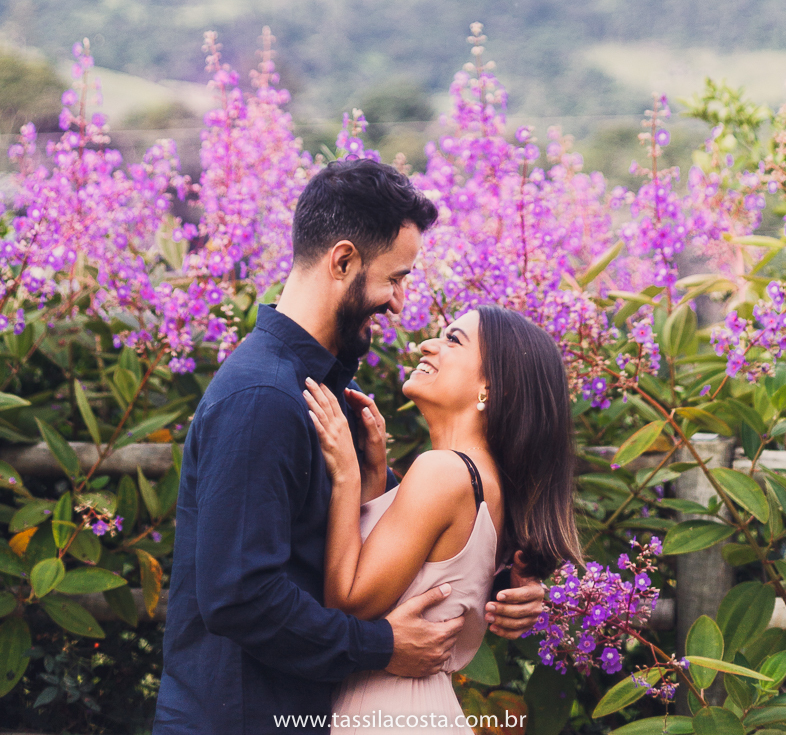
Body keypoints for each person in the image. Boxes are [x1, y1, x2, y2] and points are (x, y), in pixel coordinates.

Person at [154, 161, 546, 735]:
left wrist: (504, 584)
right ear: (343, 261)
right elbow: (240, 597)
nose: (399, 304)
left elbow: (406, 544)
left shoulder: (329, 400)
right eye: (395, 278)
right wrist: (380, 646)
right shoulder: (263, 398)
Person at [304, 304, 581, 727]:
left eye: (453, 340)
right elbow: (408, 576)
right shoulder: (488, 486)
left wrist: (346, 475)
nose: (426, 344)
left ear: (492, 388)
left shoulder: (444, 472)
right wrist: (375, 475)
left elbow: (348, 607)